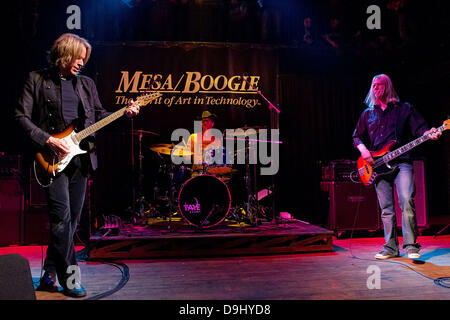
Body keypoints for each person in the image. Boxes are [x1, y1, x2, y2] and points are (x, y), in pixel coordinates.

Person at [14, 33, 140, 298]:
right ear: (64, 53)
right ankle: (70, 279)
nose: (81, 63)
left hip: (81, 160)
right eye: (78, 57)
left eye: (84, 59)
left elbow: (99, 116)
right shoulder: (37, 80)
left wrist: (123, 112)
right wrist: (47, 139)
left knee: (69, 223)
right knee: (61, 219)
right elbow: (20, 117)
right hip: (51, 160)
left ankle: (48, 275)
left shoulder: (86, 84)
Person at [352, 74, 441, 260]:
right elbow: (356, 136)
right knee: (386, 208)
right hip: (377, 166)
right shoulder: (368, 114)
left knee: (407, 200)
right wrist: (363, 150)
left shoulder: (404, 109)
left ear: (388, 87)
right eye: (374, 85)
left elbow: (420, 129)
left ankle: (411, 246)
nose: (376, 88)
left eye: (380, 85)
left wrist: (430, 133)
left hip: (402, 162)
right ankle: (390, 248)